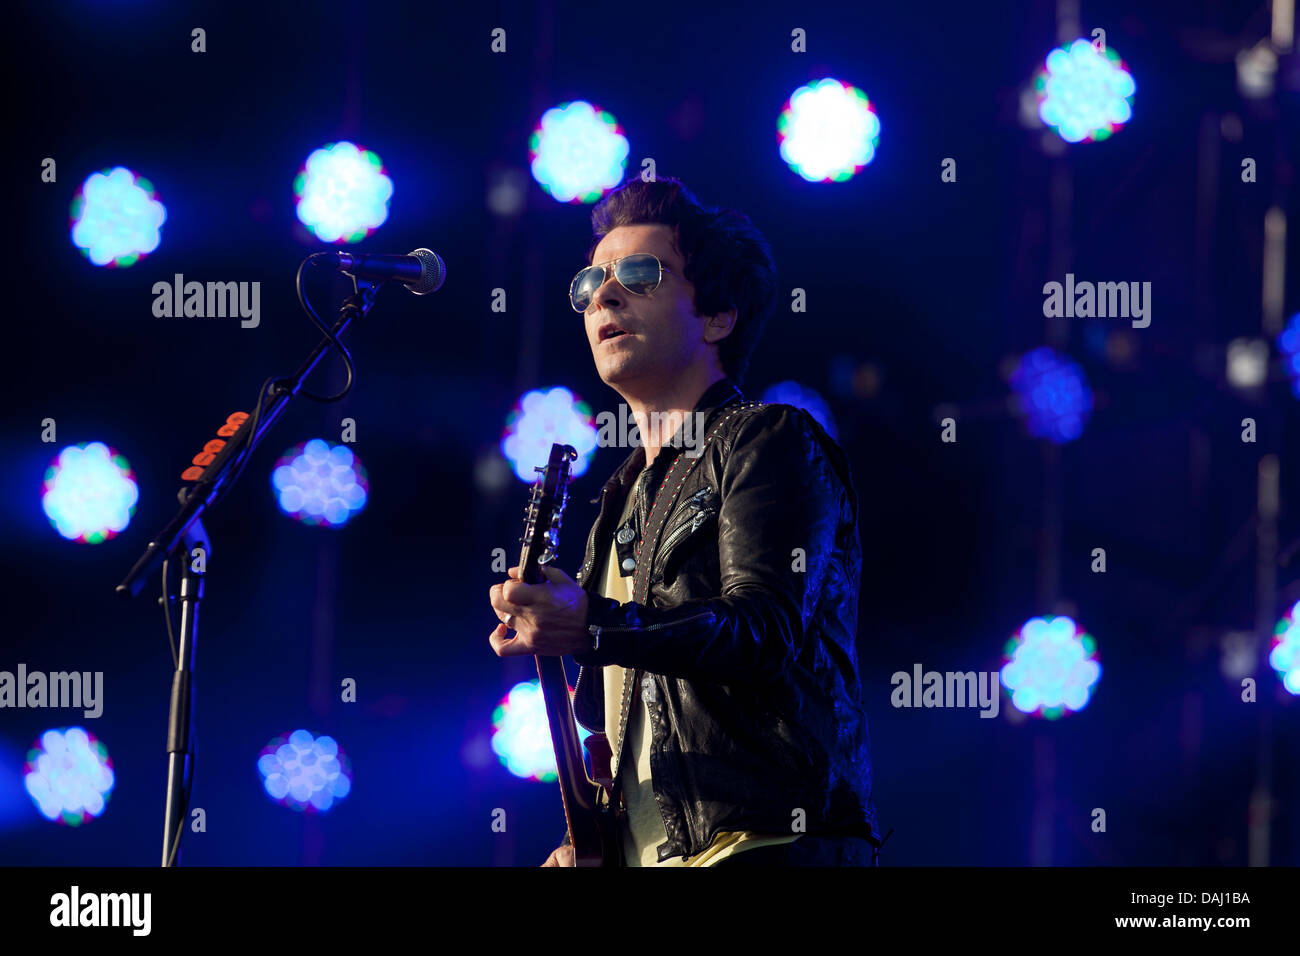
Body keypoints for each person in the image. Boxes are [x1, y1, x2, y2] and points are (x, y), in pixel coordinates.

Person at [488, 177, 883, 866]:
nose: (604, 296)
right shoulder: (618, 498)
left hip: (766, 847)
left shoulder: (767, 439)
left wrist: (590, 624)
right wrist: (593, 838)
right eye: (590, 283)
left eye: (640, 274)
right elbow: (629, 729)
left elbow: (763, 634)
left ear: (718, 316)